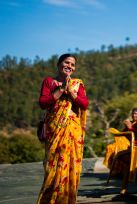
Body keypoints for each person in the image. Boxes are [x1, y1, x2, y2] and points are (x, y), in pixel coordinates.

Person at [37, 54, 89, 204]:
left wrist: (71, 92)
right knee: (52, 167)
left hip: (73, 130)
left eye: (73, 65)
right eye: (67, 63)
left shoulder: (77, 84)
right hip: (55, 130)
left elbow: (84, 104)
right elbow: (43, 102)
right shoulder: (49, 81)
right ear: (59, 64)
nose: (70, 66)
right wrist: (61, 89)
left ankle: (67, 200)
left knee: (70, 165)